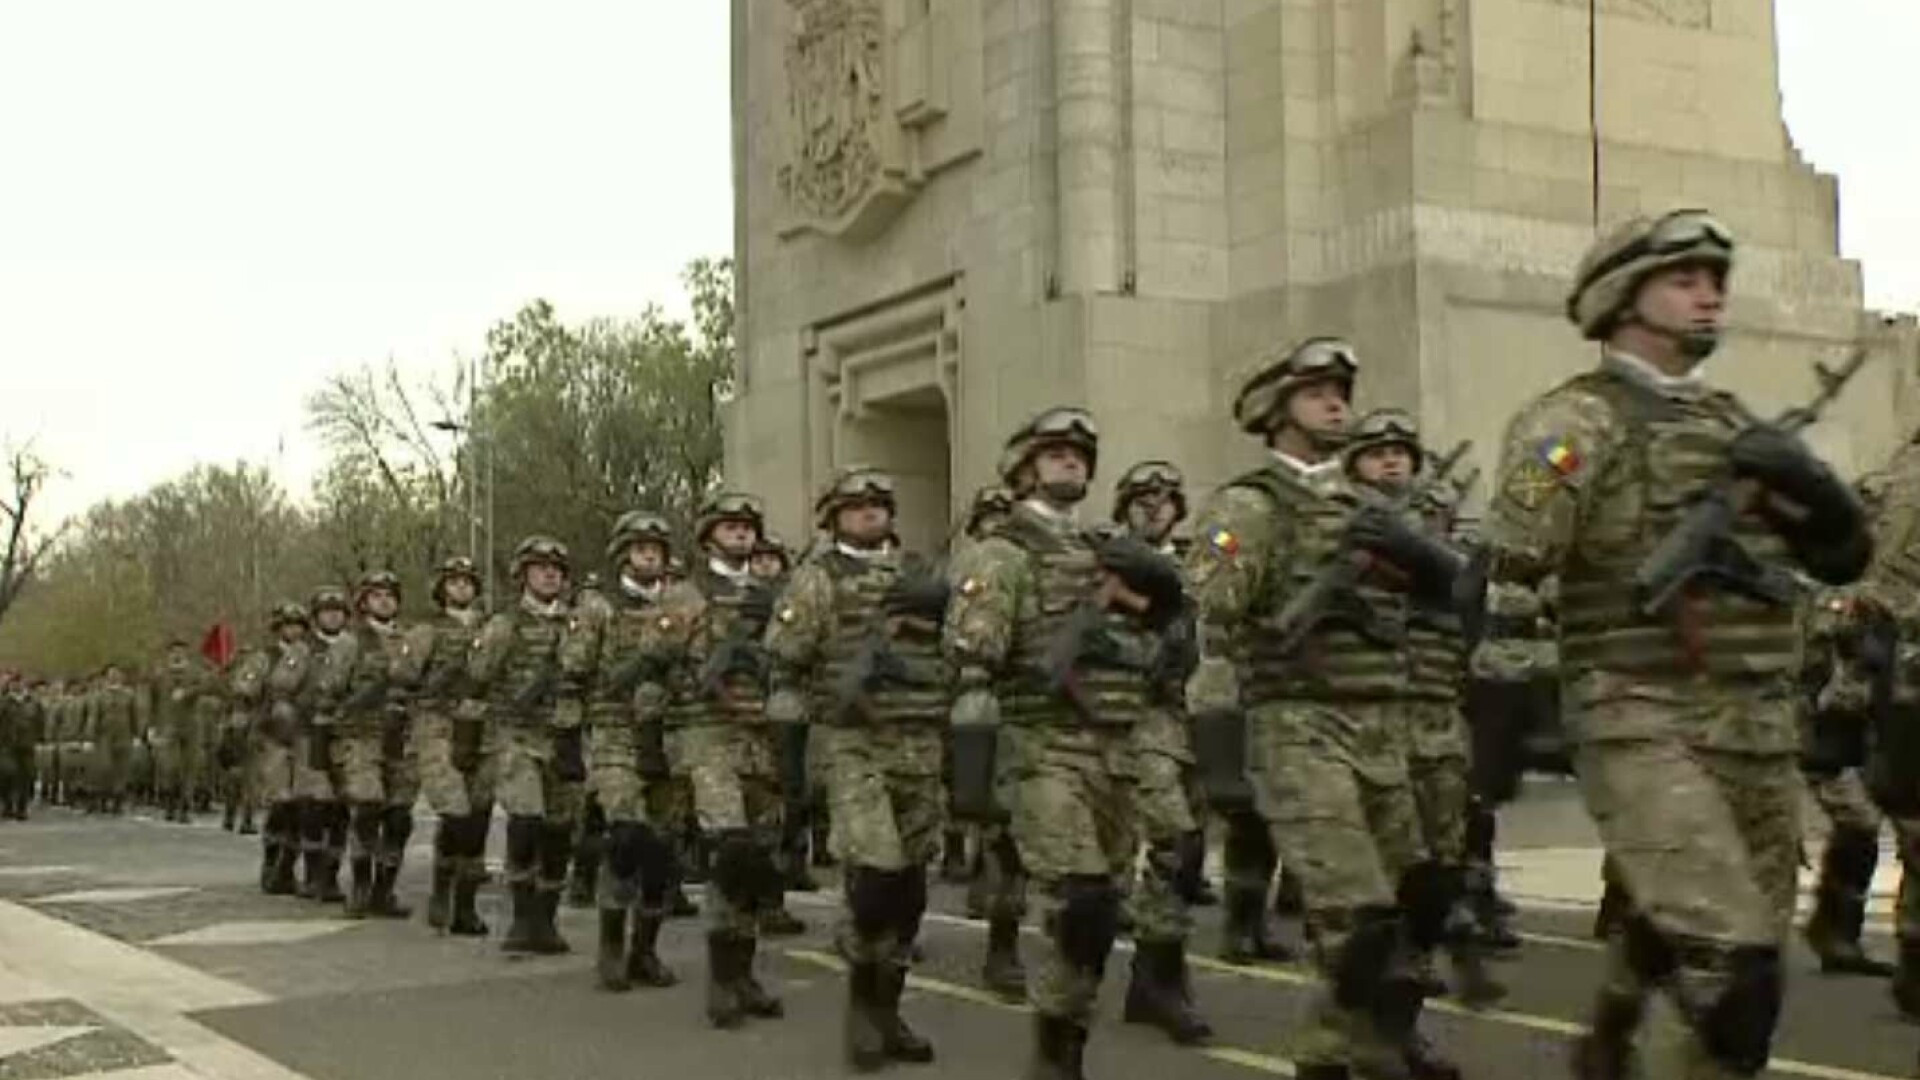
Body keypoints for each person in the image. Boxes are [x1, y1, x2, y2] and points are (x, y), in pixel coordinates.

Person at [1472, 209, 1871, 1078]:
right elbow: (1510, 563)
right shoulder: (1575, 421)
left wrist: (1817, 492)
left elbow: (1840, 560)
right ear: (1622, 297)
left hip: (1758, 724)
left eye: (1715, 281)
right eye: (1684, 279)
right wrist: (1502, 720)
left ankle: (1614, 1027)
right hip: (1640, 711)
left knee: (1741, 950)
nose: (1708, 296)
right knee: (1733, 965)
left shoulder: (1734, 424)